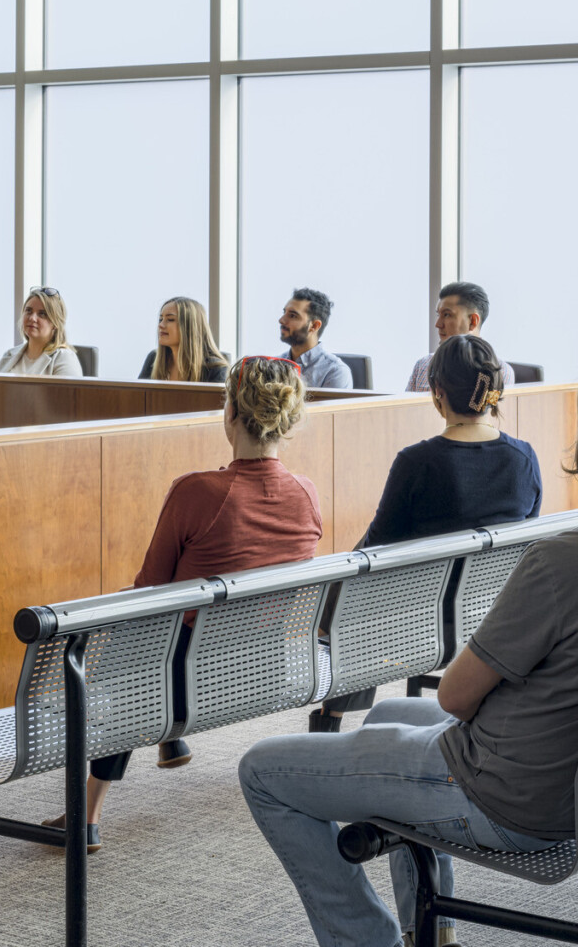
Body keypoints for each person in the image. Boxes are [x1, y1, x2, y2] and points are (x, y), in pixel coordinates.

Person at [239, 346, 578, 947]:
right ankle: (434, 930)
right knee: (392, 711)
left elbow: (454, 696)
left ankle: (367, 940)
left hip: (517, 800)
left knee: (262, 769)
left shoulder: (565, 560)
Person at [46, 355, 322, 851]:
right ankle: (166, 737)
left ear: (230, 414)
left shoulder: (198, 491)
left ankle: (87, 812)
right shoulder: (306, 495)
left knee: (127, 648)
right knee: (153, 649)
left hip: (182, 674)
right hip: (264, 665)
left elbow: (150, 588)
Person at [308, 333, 542, 732]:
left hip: (418, 616)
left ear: (437, 392)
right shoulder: (524, 457)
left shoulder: (417, 461)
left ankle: (332, 715)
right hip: (494, 609)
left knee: (351, 583)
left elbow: (379, 546)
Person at [406, 281, 515, 392]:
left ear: (472, 321)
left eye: (447, 315)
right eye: (439, 315)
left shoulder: (500, 372)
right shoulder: (424, 365)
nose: (438, 324)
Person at [0, 287, 82, 376]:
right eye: (29, 310)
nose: (32, 318)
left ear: (55, 323)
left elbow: (67, 390)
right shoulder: (9, 354)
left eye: (42, 314)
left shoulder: (64, 358)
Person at [138, 297, 228, 383]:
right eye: (160, 319)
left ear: (190, 327)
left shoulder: (217, 369)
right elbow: (139, 397)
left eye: (170, 319)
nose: (161, 325)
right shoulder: (153, 358)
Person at [279, 288, 352, 389]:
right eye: (284, 313)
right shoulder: (273, 365)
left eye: (292, 316)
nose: (281, 320)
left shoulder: (335, 372)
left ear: (314, 326)